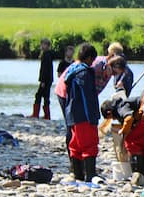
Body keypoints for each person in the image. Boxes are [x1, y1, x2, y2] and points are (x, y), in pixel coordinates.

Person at [63, 42, 100, 182]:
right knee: (89, 144)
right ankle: (90, 175)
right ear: (89, 58)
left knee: (75, 144)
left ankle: (78, 174)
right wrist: (93, 117)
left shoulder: (72, 70)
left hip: (72, 114)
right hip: (84, 115)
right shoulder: (84, 73)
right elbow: (88, 97)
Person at [31, 38, 56, 119]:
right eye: (41, 44)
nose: (42, 46)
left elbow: (45, 69)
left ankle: (36, 114)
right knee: (45, 96)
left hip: (45, 80)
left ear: (47, 46)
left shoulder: (46, 55)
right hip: (48, 79)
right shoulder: (47, 54)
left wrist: (42, 81)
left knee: (39, 95)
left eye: (43, 44)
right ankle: (46, 115)